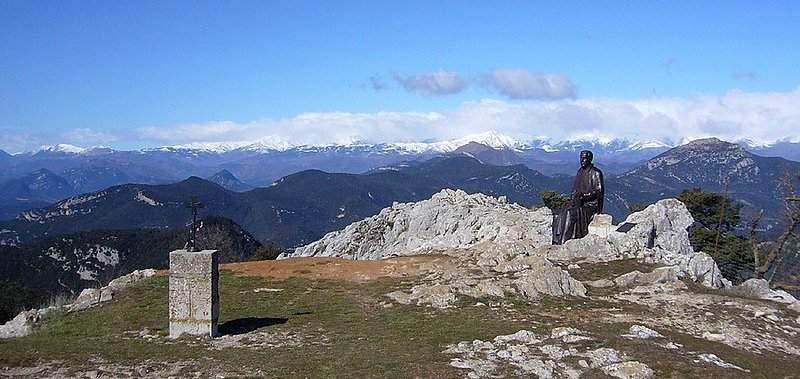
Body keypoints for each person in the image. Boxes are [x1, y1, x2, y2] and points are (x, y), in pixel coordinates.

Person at [552, 150, 604, 245]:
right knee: (558, 211)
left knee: (570, 213)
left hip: (589, 205)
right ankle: (556, 239)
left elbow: (599, 192)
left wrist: (585, 197)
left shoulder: (596, 173)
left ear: (590, 159)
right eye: (581, 158)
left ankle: (565, 241)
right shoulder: (580, 171)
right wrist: (573, 197)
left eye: (584, 158)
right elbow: (575, 189)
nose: (582, 161)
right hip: (578, 202)